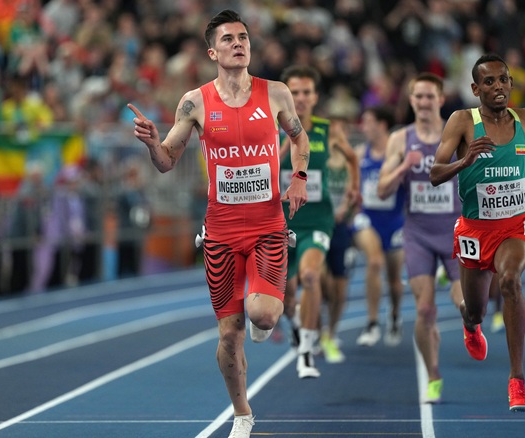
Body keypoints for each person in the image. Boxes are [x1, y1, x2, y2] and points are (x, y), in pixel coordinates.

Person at [128, 10, 310, 438]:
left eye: (243, 37)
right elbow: (167, 162)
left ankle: (260, 314)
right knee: (229, 337)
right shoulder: (194, 102)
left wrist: (299, 178)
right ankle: (242, 413)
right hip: (221, 233)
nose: (238, 43)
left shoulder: (276, 93)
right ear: (213, 51)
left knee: (262, 315)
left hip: (267, 225)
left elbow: (299, 138)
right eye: (228, 39)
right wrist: (155, 143)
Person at [430, 53, 525, 412]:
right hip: (476, 228)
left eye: (503, 79)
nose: (498, 87)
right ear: (475, 89)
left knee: (509, 281)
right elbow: (435, 173)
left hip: (514, 224)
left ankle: (517, 381)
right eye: (488, 82)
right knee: (475, 310)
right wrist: (465, 160)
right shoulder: (462, 121)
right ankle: (470, 325)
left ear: (511, 83)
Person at [377, 72, 464, 404]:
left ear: (441, 100)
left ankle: (471, 324)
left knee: (467, 307)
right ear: (411, 101)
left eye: (430, 97)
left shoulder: (456, 135)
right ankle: (433, 374)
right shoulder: (400, 139)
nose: (424, 103)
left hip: (455, 231)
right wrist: (403, 168)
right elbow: (382, 190)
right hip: (417, 234)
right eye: (418, 97)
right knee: (425, 310)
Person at [278, 65, 360, 378]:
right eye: (294, 92)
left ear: (315, 96)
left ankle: (306, 352)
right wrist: (287, 143)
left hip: (319, 219)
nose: (299, 98)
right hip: (282, 224)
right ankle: (296, 326)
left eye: (305, 92)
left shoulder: (329, 130)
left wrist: (353, 186)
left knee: (311, 277)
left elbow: (351, 157)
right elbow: (267, 169)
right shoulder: (272, 129)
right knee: (285, 297)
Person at [351, 106, 406, 348]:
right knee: (374, 263)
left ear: (382, 125)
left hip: (394, 222)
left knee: (394, 280)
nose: (364, 126)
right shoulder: (360, 154)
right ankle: (372, 323)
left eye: (369, 121)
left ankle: (394, 315)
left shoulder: (399, 156)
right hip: (368, 220)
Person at [319, 117, 360, 363]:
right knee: (319, 280)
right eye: (332, 130)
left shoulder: (349, 161)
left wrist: (346, 208)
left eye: (341, 130)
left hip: (341, 228)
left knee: (339, 290)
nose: (336, 135)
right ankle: (315, 329)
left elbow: (355, 194)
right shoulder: (319, 157)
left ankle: (330, 333)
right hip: (321, 226)